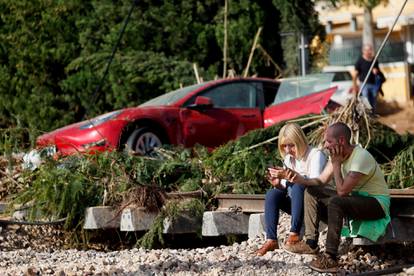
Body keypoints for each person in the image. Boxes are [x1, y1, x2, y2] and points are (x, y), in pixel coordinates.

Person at [278, 122, 390, 273]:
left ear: (342, 141)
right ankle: (311, 243)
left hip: (376, 204)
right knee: (311, 190)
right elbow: (320, 181)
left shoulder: (360, 156)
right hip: (354, 200)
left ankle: (330, 257)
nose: (325, 146)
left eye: (328, 141)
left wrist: (336, 164)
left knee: (337, 201)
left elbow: (342, 191)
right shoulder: (335, 156)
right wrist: (298, 179)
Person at [255, 123, 327, 256]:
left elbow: (316, 184)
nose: (288, 150)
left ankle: (294, 234)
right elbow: (286, 190)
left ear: (300, 141)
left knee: (298, 185)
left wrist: (293, 177)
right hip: (299, 205)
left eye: (291, 145)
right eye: (284, 146)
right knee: (272, 194)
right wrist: (278, 184)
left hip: (318, 206)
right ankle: (271, 239)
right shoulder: (289, 159)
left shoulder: (316, 155)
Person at [352, 44, 383, 114]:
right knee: (366, 100)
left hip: (373, 84)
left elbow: (378, 70)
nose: (369, 51)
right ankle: (367, 115)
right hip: (364, 84)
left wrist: (376, 71)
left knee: (373, 101)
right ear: (363, 51)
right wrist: (355, 86)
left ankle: (373, 115)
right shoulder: (360, 61)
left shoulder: (374, 60)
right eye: (367, 50)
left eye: (370, 50)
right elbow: (355, 74)